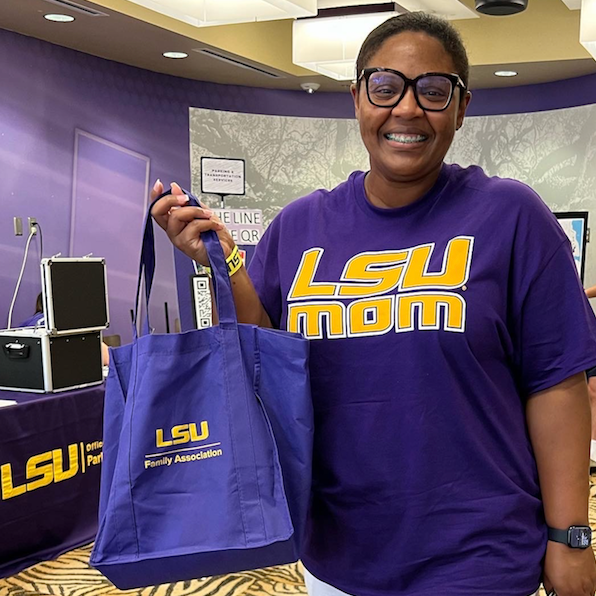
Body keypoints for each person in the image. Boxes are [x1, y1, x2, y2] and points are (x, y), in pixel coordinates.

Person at [151, 12, 596, 596]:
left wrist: (570, 538)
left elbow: (557, 384)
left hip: (474, 555)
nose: (407, 109)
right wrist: (223, 259)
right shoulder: (301, 224)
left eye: (433, 91)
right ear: (358, 99)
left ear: (461, 109)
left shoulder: (510, 216)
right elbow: (265, 355)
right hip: (337, 555)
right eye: (385, 87)